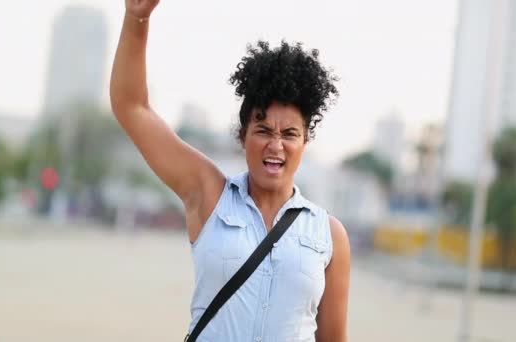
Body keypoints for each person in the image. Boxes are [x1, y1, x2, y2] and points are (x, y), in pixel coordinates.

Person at [110, 1, 350, 341]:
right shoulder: (209, 196)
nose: (276, 145)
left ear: (305, 141)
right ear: (243, 135)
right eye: (263, 130)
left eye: (290, 134)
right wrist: (137, 17)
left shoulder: (330, 235)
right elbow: (131, 107)